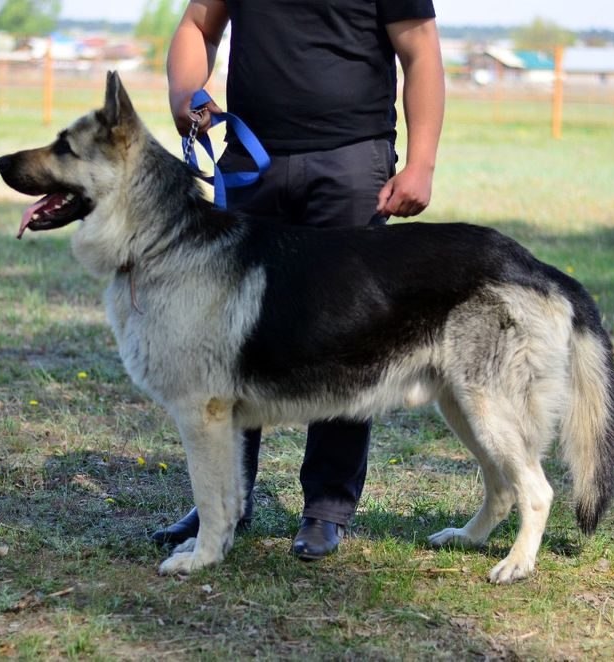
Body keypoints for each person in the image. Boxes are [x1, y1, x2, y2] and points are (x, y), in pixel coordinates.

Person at [151, 0, 445, 560]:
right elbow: (197, 25)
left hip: (352, 163)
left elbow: (420, 50)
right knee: (231, 341)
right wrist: (185, 95)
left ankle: (326, 509)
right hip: (253, 159)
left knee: (345, 333)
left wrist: (422, 161)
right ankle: (224, 501)